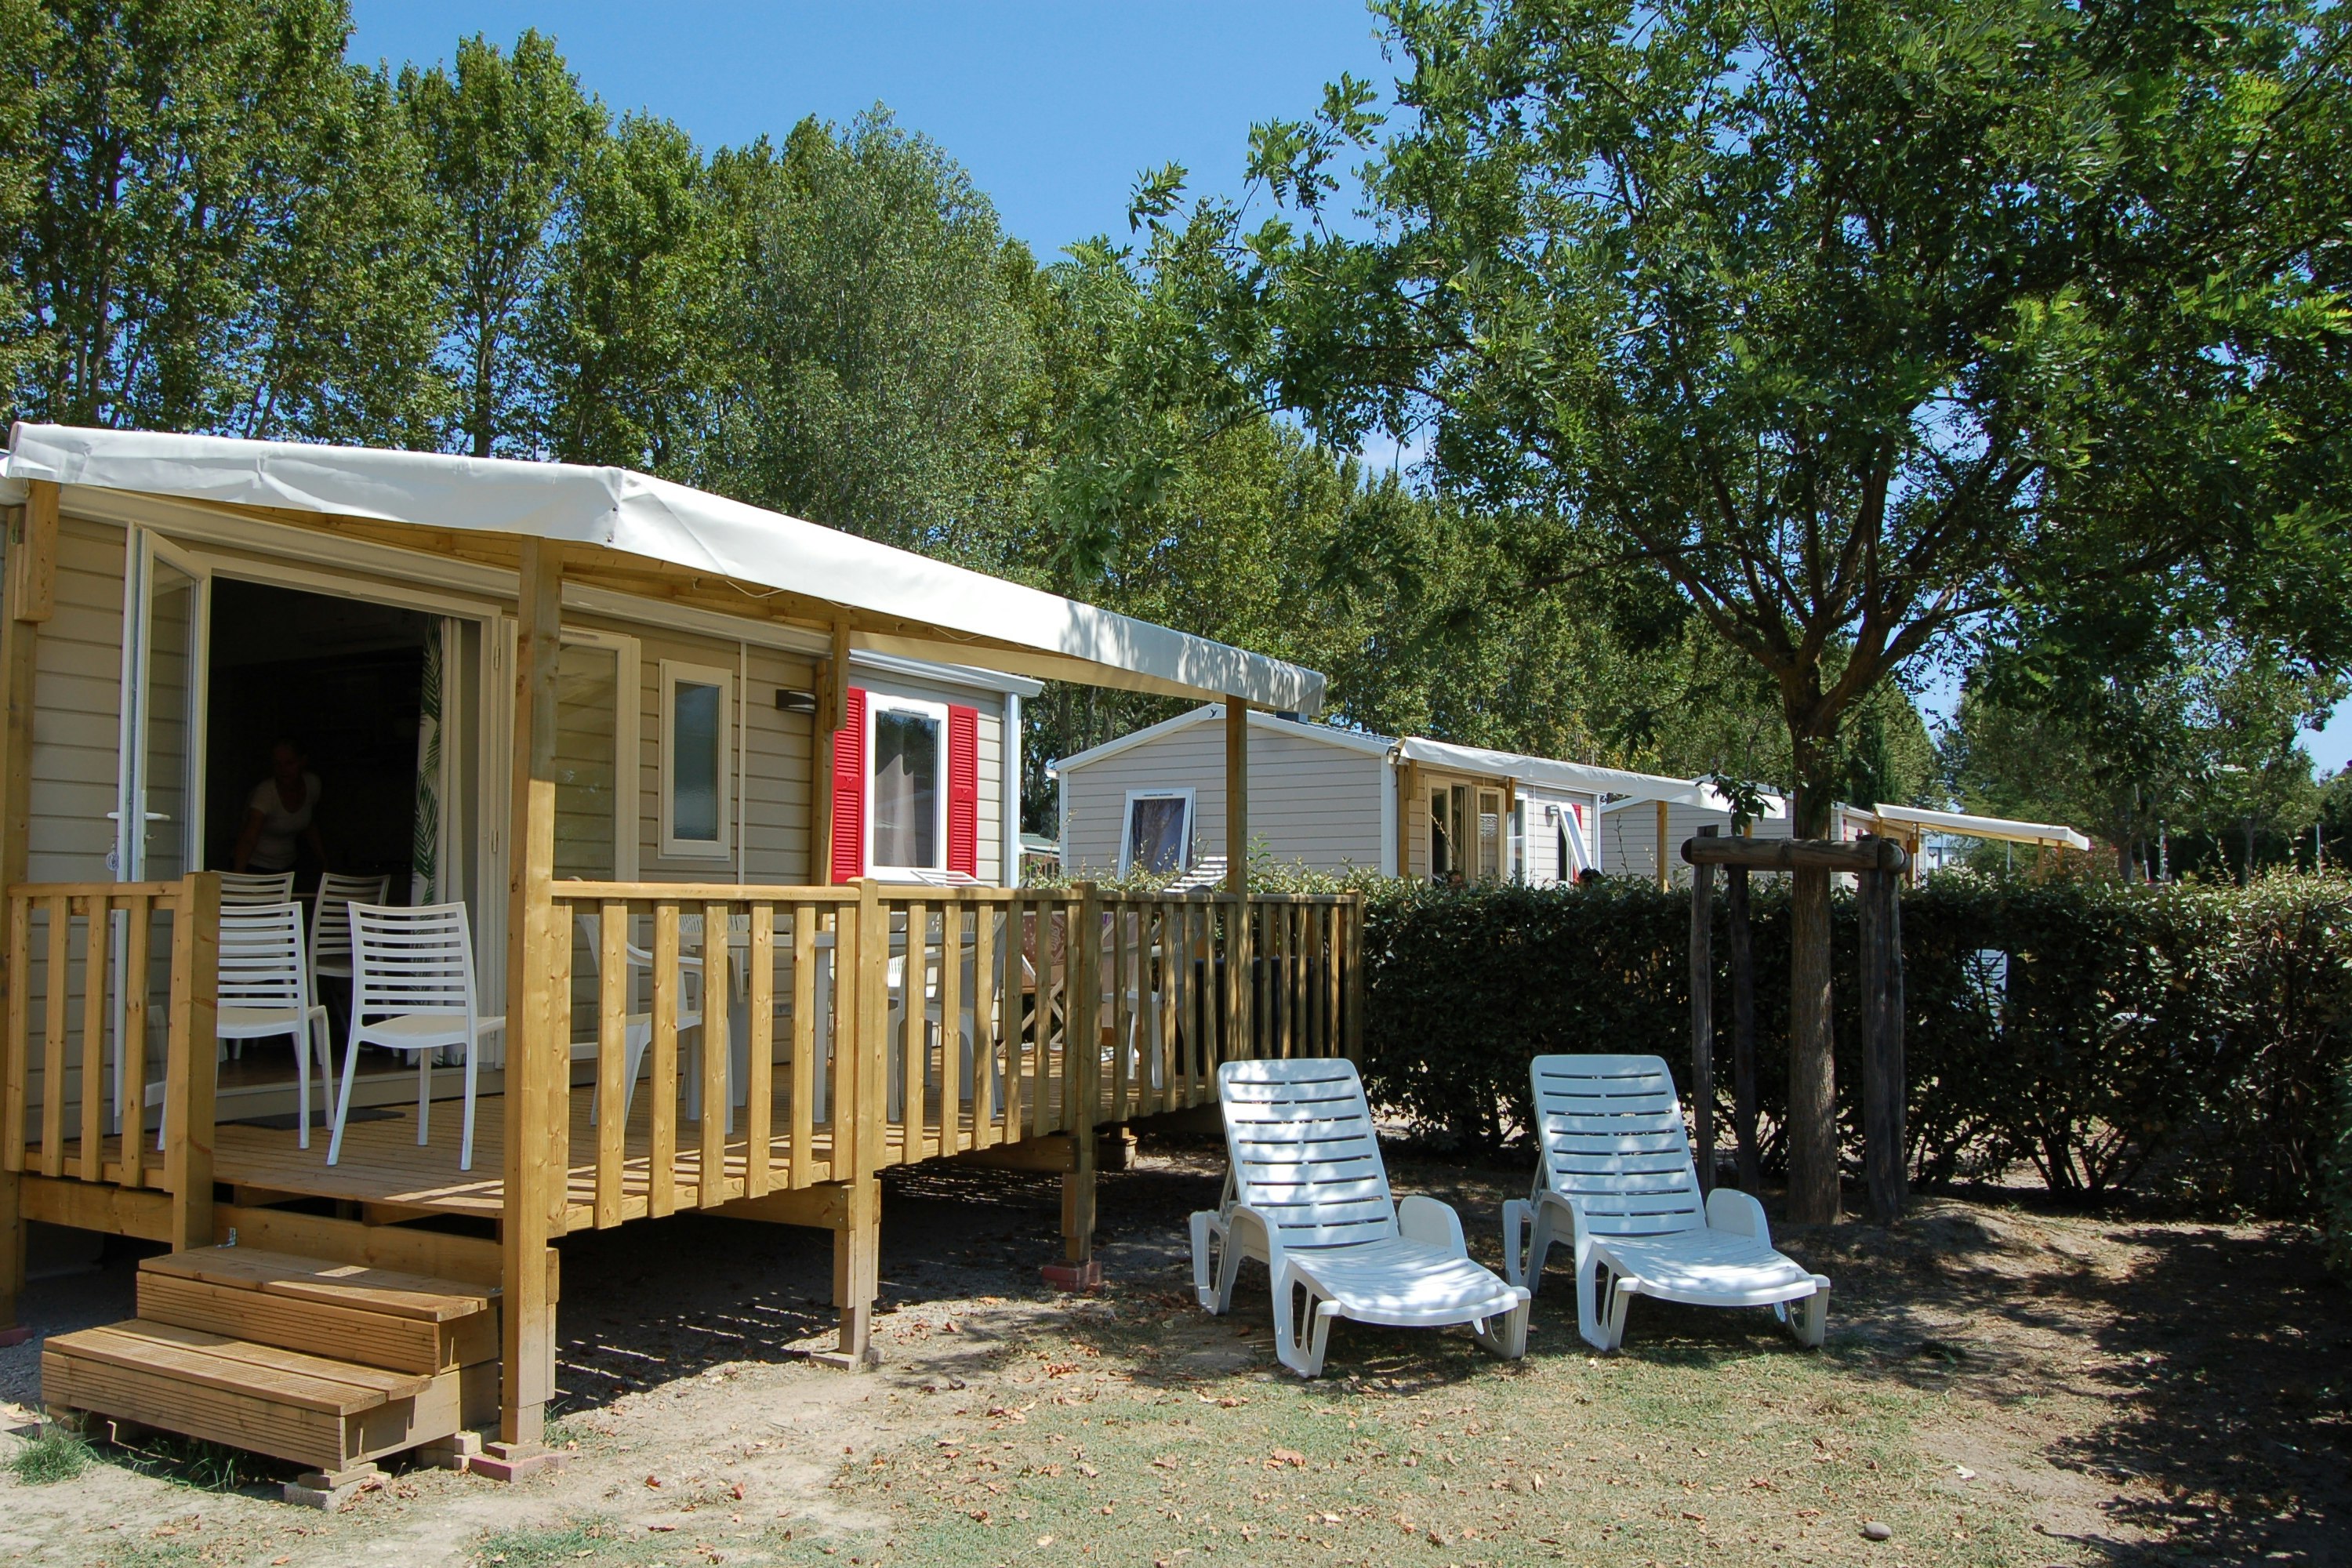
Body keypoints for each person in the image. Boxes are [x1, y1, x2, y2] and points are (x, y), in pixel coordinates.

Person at [233, 739, 327, 875]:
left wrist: (323, 860)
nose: (283, 770)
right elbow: (249, 838)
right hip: (255, 864)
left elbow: (309, 824)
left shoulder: (313, 784)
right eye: (278, 764)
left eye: (289, 763)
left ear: (302, 761)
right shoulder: (265, 793)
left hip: (289, 864)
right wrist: (239, 873)